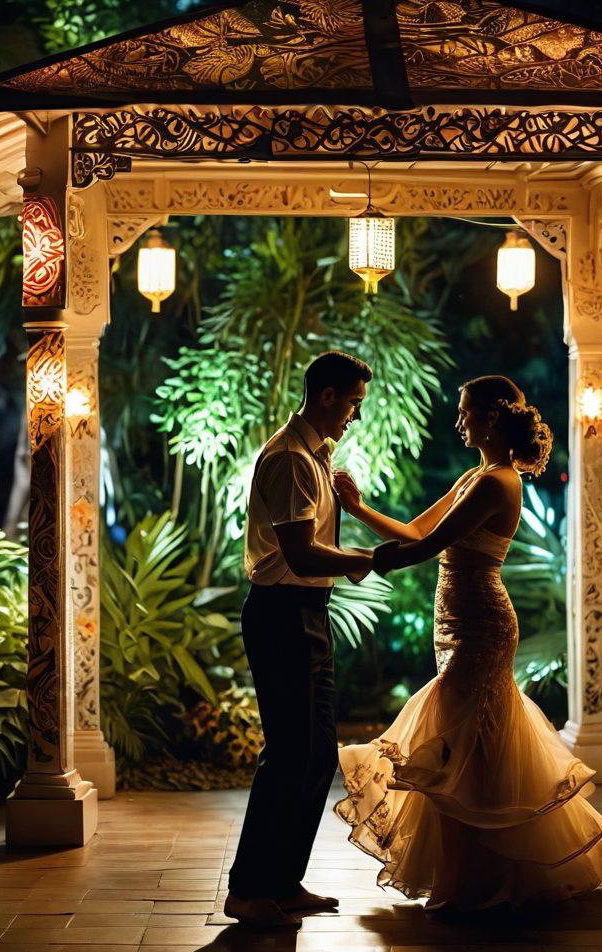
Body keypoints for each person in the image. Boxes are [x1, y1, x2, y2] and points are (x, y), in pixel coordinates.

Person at [332, 375, 602, 912]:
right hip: (458, 624)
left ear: (490, 416)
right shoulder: (478, 475)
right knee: (473, 751)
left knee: (452, 750)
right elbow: (418, 530)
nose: (458, 419)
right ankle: (482, 876)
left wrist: (359, 561)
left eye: (465, 411)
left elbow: (429, 547)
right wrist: (359, 510)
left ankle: (468, 883)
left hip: (481, 628)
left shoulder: (496, 483)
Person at [225, 350, 384, 929]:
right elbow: (296, 552)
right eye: (353, 404)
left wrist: (349, 509)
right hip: (282, 612)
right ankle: (247, 889)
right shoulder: (290, 459)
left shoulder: (316, 458)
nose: (355, 416)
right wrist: (357, 560)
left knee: (316, 754)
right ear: (326, 396)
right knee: (288, 753)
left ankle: (282, 882)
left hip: (308, 610)